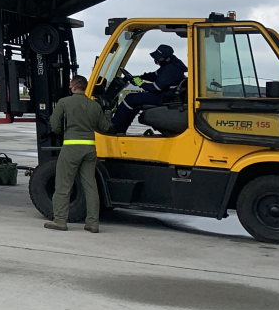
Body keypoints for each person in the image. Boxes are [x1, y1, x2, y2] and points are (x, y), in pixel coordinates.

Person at [46, 75, 111, 233]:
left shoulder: (64, 102)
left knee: (63, 185)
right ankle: (93, 223)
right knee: (90, 185)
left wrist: (62, 132)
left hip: (71, 148)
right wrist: (108, 113)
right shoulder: (94, 106)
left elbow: (54, 126)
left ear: (74, 86)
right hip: (90, 149)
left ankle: (60, 220)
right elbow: (105, 127)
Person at [111, 43, 187, 133]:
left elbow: (155, 88)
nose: (156, 60)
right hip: (166, 96)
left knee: (130, 98)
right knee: (135, 101)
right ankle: (121, 129)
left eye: (159, 58)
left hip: (166, 98)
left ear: (167, 58)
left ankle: (114, 125)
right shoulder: (168, 66)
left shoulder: (170, 69)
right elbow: (154, 75)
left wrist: (140, 83)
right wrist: (140, 77)